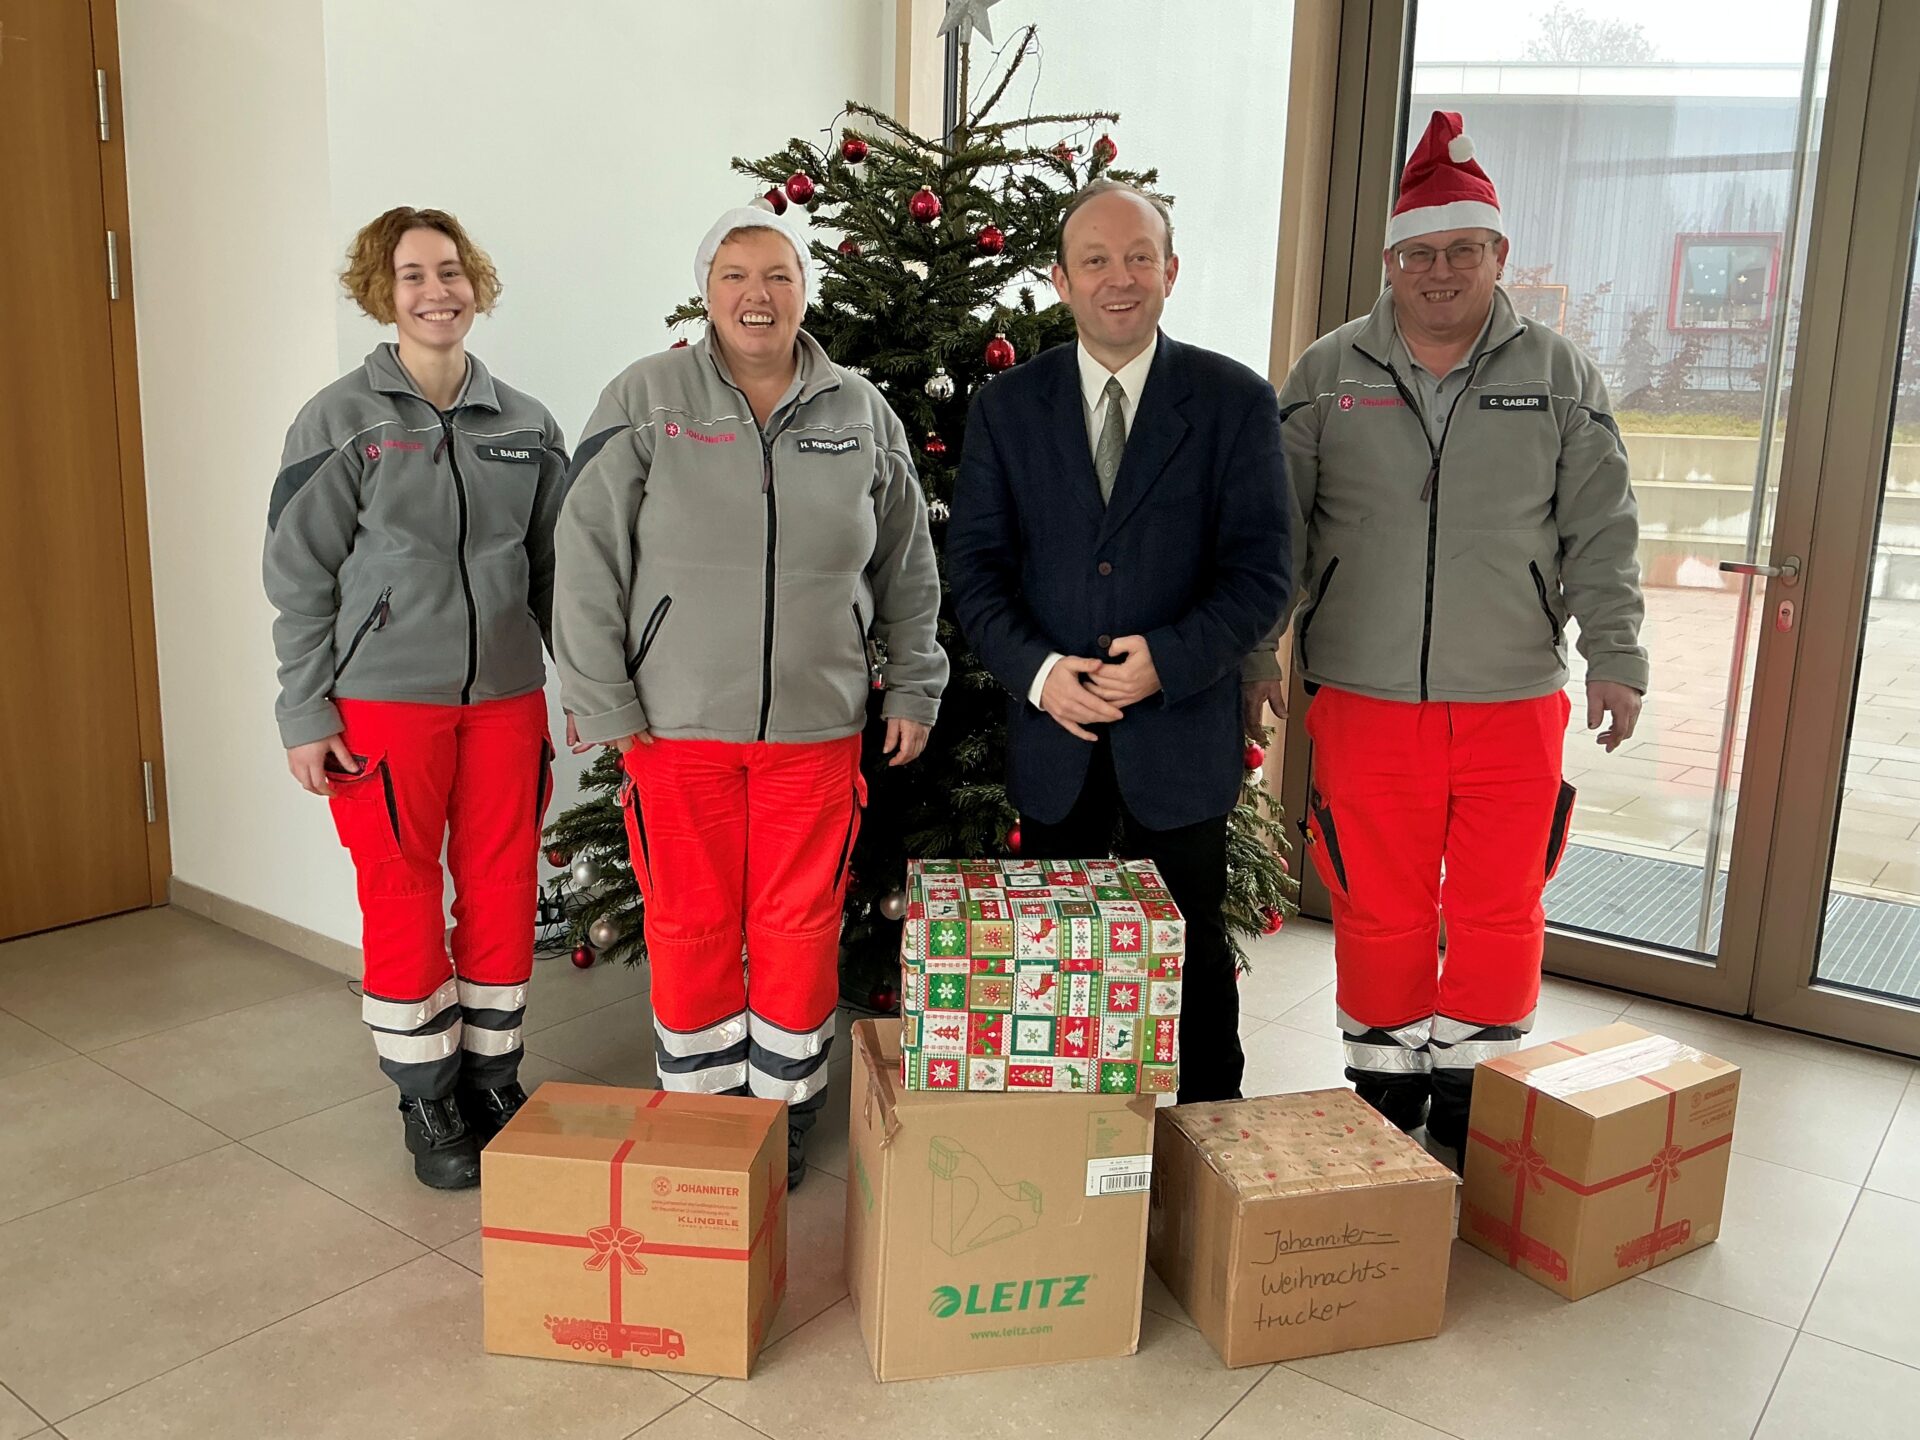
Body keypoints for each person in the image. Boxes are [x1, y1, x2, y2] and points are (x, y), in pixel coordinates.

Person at [1269, 111, 1648, 1158]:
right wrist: (1263, 651)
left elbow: (1603, 528)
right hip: (1364, 693)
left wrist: (1617, 652)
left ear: (1498, 256)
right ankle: (1385, 1086)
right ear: (1391, 261)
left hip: (1514, 693)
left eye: (1461, 251)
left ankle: (1476, 1093)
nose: (1440, 272)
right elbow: (1281, 533)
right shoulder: (1326, 373)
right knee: (1376, 901)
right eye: (1420, 253)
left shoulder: (1562, 376)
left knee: (1499, 904)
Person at [553, 205, 946, 1187]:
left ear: (804, 290)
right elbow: (586, 553)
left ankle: (785, 1101)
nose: (756, 294)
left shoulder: (860, 412)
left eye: (777, 274)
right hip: (675, 726)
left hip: (815, 729)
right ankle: (703, 1103)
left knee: (798, 926)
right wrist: (603, 696)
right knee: (688, 921)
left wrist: (913, 684)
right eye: (734, 274)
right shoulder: (645, 397)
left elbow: (908, 568)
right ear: (706, 290)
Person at [947, 180, 1292, 1105]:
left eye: (1139, 257)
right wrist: (1041, 672)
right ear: (1060, 280)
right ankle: (1062, 1142)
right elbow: (975, 569)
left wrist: (1169, 664)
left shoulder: (1233, 401)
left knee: (1192, 966)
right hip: (1055, 736)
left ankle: (1208, 1150)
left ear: (1171, 272)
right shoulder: (1006, 407)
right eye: (1095, 260)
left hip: (1179, 739)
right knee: (1051, 971)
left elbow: (1263, 573)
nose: (1119, 278)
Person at [263, 207, 570, 1189]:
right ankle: (426, 1093)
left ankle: (491, 1075)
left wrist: (589, 687)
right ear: (381, 294)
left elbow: (559, 571)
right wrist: (305, 713)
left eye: (450, 271)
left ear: (474, 282)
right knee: (401, 895)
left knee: (502, 886)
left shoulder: (525, 423)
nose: (437, 291)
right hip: (384, 705)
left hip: (507, 699)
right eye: (412, 277)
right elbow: (299, 578)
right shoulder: (339, 419)